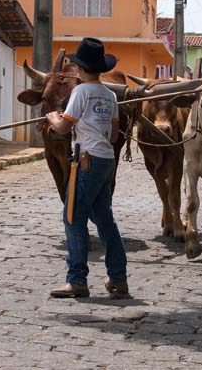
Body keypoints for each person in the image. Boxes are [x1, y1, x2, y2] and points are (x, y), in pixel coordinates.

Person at [44, 37, 131, 299]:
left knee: (73, 218)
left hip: (87, 161)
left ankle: (77, 280)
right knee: (105, 220)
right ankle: (118, 278)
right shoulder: (110, 95)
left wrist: (53, 118)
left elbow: (63, 127)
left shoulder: (80, 92)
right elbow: (115, 136)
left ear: (80, 69)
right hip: (106, 161)